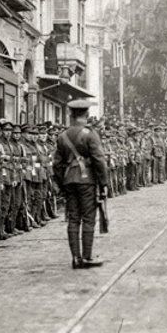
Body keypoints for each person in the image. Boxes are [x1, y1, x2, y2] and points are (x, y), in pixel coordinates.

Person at [52, 99, 108, 269]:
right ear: (86, 114)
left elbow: (56, 164)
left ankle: (75, 258)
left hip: (69, 181)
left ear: (71, 115)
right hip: (87, 181)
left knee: (73, 219)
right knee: (89, 218)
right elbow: (99, 160)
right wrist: (104, 182)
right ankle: (87, 256)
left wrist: (63, 184)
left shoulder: (62, 136)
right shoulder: (90, 134)